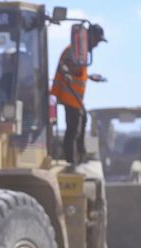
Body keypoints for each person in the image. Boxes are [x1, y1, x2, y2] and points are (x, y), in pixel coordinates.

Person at [51, 24, 107, 165]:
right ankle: (70, 161)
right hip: (69, 96)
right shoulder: (73, 51)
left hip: (75, 99)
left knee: (82, 123)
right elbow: (63, 64)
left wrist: (90, 77)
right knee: (73, 129)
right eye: (96, 41)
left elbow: (77, 72)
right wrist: (66, 73)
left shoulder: (80, 53)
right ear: (90, 36)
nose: (96, 45)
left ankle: (79, 158)